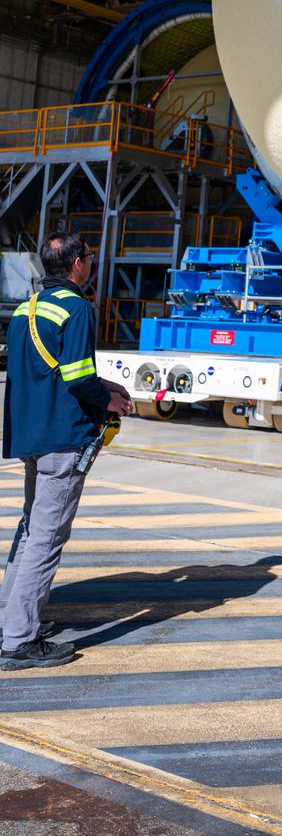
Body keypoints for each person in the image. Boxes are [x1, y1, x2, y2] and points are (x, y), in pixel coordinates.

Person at [0, 230, 133, 670]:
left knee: (30, 528)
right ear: (77, 264)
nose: (91, 262)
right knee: (48, 537)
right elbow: (77, 377)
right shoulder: (76, 308)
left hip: (31, 436)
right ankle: (19, 641)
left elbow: (48, 372)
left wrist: (102, 387)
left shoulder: (27, 307)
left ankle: (9, 620)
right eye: (90, 257)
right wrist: (109, 398)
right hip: (63, 438)